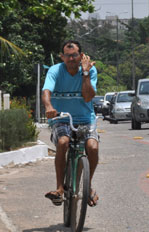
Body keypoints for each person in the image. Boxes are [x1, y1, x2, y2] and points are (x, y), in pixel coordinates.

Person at [42, 40, 99, 207]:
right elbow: (46, 91)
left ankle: (87, 186)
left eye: (75, 55)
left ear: (81, 56)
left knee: (93, 147)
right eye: (68, 56)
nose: (71, 59)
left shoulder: (90, 70)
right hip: (61, 118)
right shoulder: (55, 71)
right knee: (63, 142)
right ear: (62, 57)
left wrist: (86, 73)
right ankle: (59, 188)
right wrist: (49, 106)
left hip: (85, 119)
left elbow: (88, 97)